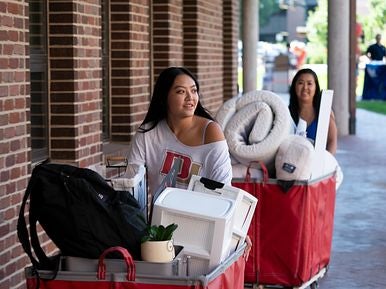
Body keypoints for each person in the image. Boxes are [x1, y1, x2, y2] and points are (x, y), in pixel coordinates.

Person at [127, 67, 232, 197]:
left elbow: (224, 188)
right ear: (164, 96)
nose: (190, 97)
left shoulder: (210, 132)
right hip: (161, 215)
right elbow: (131, 183)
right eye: (181, 91)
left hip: (203, 214)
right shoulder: (147, 134)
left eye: (194, 90)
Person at [288, 68, 337, 155]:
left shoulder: (325, 112)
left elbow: (332, 141)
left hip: (319, 164)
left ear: (316, 87)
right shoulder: (287, 113)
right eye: (300, 83)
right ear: (294, 87)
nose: (305, 87)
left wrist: (325, 163)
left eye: (309, 83)